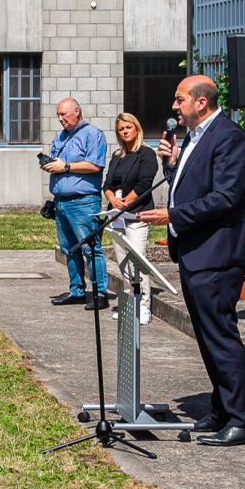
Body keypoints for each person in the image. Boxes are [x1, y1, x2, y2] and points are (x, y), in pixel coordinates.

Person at [141, 75, 245, 447]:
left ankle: (243, 420)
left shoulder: (229, 137)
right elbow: (192, 186)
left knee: (221, 337)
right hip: (195, 253)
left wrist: (172, 216)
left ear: (201, 102)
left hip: (218, 254)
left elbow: (225, 197)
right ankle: (223, 409)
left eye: (179, 100)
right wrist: (172, 165)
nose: (174, 107)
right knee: (207, 338)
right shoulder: (195, 136)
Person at [43, 97, 108, 307]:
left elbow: (95, 166)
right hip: (62, 202)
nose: (60, 119)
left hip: (83, 202)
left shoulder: (93, 134)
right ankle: (77, 290)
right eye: (58, 115)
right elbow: (59, 165)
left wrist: (66, 167)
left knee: (90, 248)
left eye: (64, 114)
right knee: (69, 248)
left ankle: (100, 294)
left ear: (77, 112)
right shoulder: (60, 137)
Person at [102, 112, 160, 325]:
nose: (125, 132)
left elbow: (145, 183)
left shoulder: (146, 154)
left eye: (128, 127)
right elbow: (107, 184)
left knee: (137, 259)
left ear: (136, 128)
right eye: (121, 129)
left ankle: (144, 306)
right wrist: (112, 200)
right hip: (116, 215)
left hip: (137, 213)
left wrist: (126, 201)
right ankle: (129, 304)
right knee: (123, 261)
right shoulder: (117, 155)